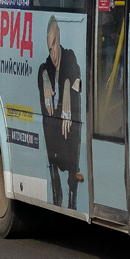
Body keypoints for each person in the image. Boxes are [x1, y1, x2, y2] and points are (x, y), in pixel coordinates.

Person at [37, 16, 83, 209]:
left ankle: (72, 197)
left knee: (71, 128)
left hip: (70, 124)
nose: (53, 53)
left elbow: (77, 77)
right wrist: (45, 80)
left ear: (59, 37)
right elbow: (42, 74)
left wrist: (66, 88)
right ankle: (56, 191)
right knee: (48, 121)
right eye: (49, 48)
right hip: (55, 128)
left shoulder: (70, 57)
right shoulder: (46, 66)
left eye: (54, 44)